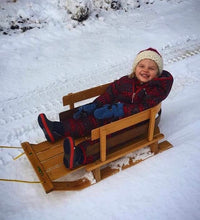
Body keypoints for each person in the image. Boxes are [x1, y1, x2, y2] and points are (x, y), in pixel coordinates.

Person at [38, 48, 173, 169]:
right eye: (141, 65)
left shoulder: (156, 90)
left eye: (151, 68)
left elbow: (144, 107)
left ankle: (78, 155)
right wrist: (95, 105)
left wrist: (120, 109)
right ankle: (58, 129)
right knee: (90, 119)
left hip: (134, 124)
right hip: (112, 113)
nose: (145, 70)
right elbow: (110, 93)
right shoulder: (126, 80)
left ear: (157, 73)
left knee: (106, 137)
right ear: (135, 67)